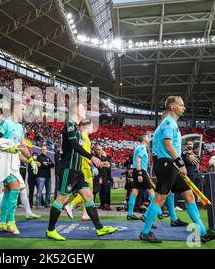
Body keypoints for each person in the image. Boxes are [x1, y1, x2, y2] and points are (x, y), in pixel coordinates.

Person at [140, 96, 215, 243]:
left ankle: (203, 233)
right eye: (181, 105)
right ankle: (145, 233)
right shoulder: (168, 123)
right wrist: (181, 164)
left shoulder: (171, 123)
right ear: (172, 107)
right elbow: (168, 145)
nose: (184, 107)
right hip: (167, 164)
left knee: (190, 196)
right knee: (160, 198)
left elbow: (172, 146)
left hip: (171, 164)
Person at [46, 103, 118, 241]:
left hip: (78, 170)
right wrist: (92, 157)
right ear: (76, 110)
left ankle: (99, 228)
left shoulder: (78, 130)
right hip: (69, 168)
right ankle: (50, 230)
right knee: (63, 198)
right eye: (82, 108)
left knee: (89, 196)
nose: (85, 110)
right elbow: (74, 145)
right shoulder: (70, 125)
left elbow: (78, 148)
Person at [0, 102, 40, 235]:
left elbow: (22, 146)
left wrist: (31, 160)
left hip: (14, 161)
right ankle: (11, 223)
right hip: (5, 159)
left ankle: (2, 223)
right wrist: (10, 148)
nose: (24, 111)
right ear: (14, 108)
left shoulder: (20, 127)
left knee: (8, 192)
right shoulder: (4, 122)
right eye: (22, 108)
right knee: (16, 189)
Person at [127, 134, 163, 221]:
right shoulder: (142, 148)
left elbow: (139, 162)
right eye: (147, 137)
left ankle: (130, 214)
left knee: (134, 192)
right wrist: (140, 173)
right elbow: (138, 160)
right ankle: (159, 212)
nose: (149, 138)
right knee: (151, 191)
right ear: (144, 140)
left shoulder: (139, 147)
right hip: (140, 171)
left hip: (137, 170)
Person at [63, 119, 94, 221]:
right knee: (88, 191)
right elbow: (83, 152)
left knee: (88, 192)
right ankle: (71, 205)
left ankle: (85, 214)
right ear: (87, 127)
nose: (93, 128)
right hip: (84, 167)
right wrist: (91, 164)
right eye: (92, 126)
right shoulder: (84, 137)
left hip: (84, 166)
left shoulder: (84, 137)